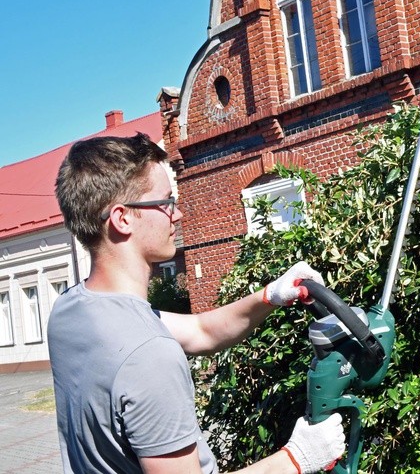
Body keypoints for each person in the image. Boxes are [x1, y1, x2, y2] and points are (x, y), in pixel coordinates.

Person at [48, 133, 345, 474]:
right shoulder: (148, 355)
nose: (177, 214)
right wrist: (296, 458)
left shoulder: (70, 309)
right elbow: (146, 349)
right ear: (122, 218)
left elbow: (201, 331)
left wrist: (270, 295)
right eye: (165, 202)